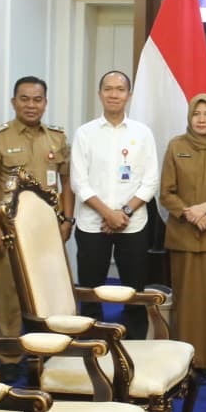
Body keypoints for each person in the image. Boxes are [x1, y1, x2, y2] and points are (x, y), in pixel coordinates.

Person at [0, 75, 72, 383]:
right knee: (9, 296)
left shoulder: (57, 138)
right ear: (13, 102)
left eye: (37, 99)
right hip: (10, 232)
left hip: (48, 233)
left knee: (46, 292)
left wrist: (67, 219)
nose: (31, 105)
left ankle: (45, 350)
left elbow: (67, 182)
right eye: (24, 99)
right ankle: (10, 356)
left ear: (45, 103)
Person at [70, 71, 159, 338]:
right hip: (92, 224)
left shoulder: (142, 133)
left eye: (120, 89)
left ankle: (135, 349)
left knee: (134, 293)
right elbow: (79, 182)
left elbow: (151, 181)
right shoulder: (85, 133)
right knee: (91, 293)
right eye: (108, 89)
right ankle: (92, 348)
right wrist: (108, 214)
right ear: (100, 94)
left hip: (132, 225)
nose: (113, 94)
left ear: (128, 95)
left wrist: (124, 213)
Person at [159, 93, 206, 373]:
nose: (202, 119)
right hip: (184, 234)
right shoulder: (176, 145)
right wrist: (190, 213)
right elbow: (166, 192)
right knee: (186, 302)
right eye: (196, 114)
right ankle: (183, 363)